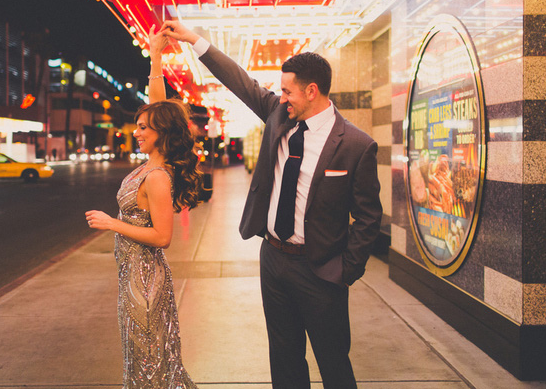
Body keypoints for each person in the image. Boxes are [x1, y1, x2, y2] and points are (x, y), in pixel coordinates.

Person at [162, 20, 382, 389]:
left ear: (312, 91)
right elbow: (241, 81)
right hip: (274, 259)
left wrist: (346, 269)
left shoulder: (357, 145)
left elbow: (368, 217)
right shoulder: (278, 115)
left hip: (322, 269)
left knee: (332, 361)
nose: (280, 97)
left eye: (287, 91)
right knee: (284, 355)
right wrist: (196, 41)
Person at [85, 25, 202, 388]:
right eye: (136, 126)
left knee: (151, 363)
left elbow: (163, 236)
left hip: (145, 280)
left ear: (161, 133)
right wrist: (154, 57)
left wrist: (112, 223)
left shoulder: (157, 177)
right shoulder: (152, 161)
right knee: (143, 359)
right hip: (132, 275)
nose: (137, 132)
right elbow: (158, 107)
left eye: (143, 129)